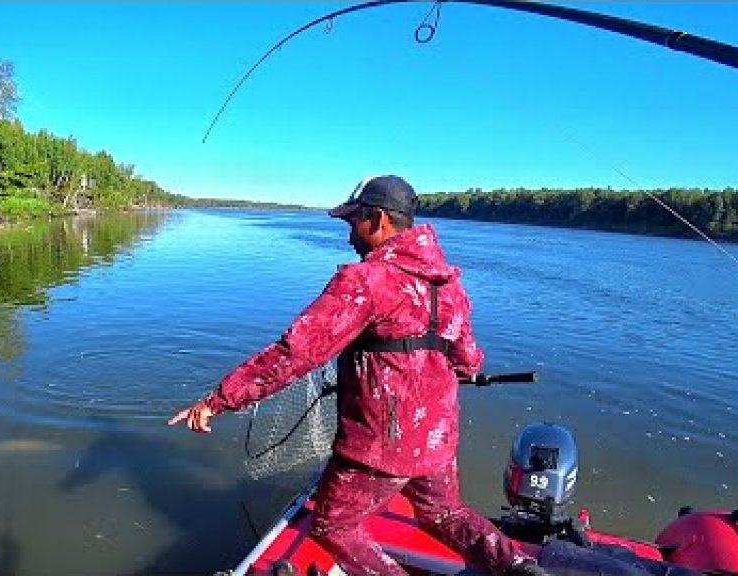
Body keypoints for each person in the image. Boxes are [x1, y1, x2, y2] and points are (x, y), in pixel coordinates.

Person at [169, 175, 545, 576]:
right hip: (437, 437)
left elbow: (294, 354)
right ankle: (520, 566)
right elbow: (468, 362)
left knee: (333, 525)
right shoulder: (449, 287)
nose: (349, 235)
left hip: (380, 443)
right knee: (444, 512)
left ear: (378, 219)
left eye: (353, 223)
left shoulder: (366, 281)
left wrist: (217, 401)